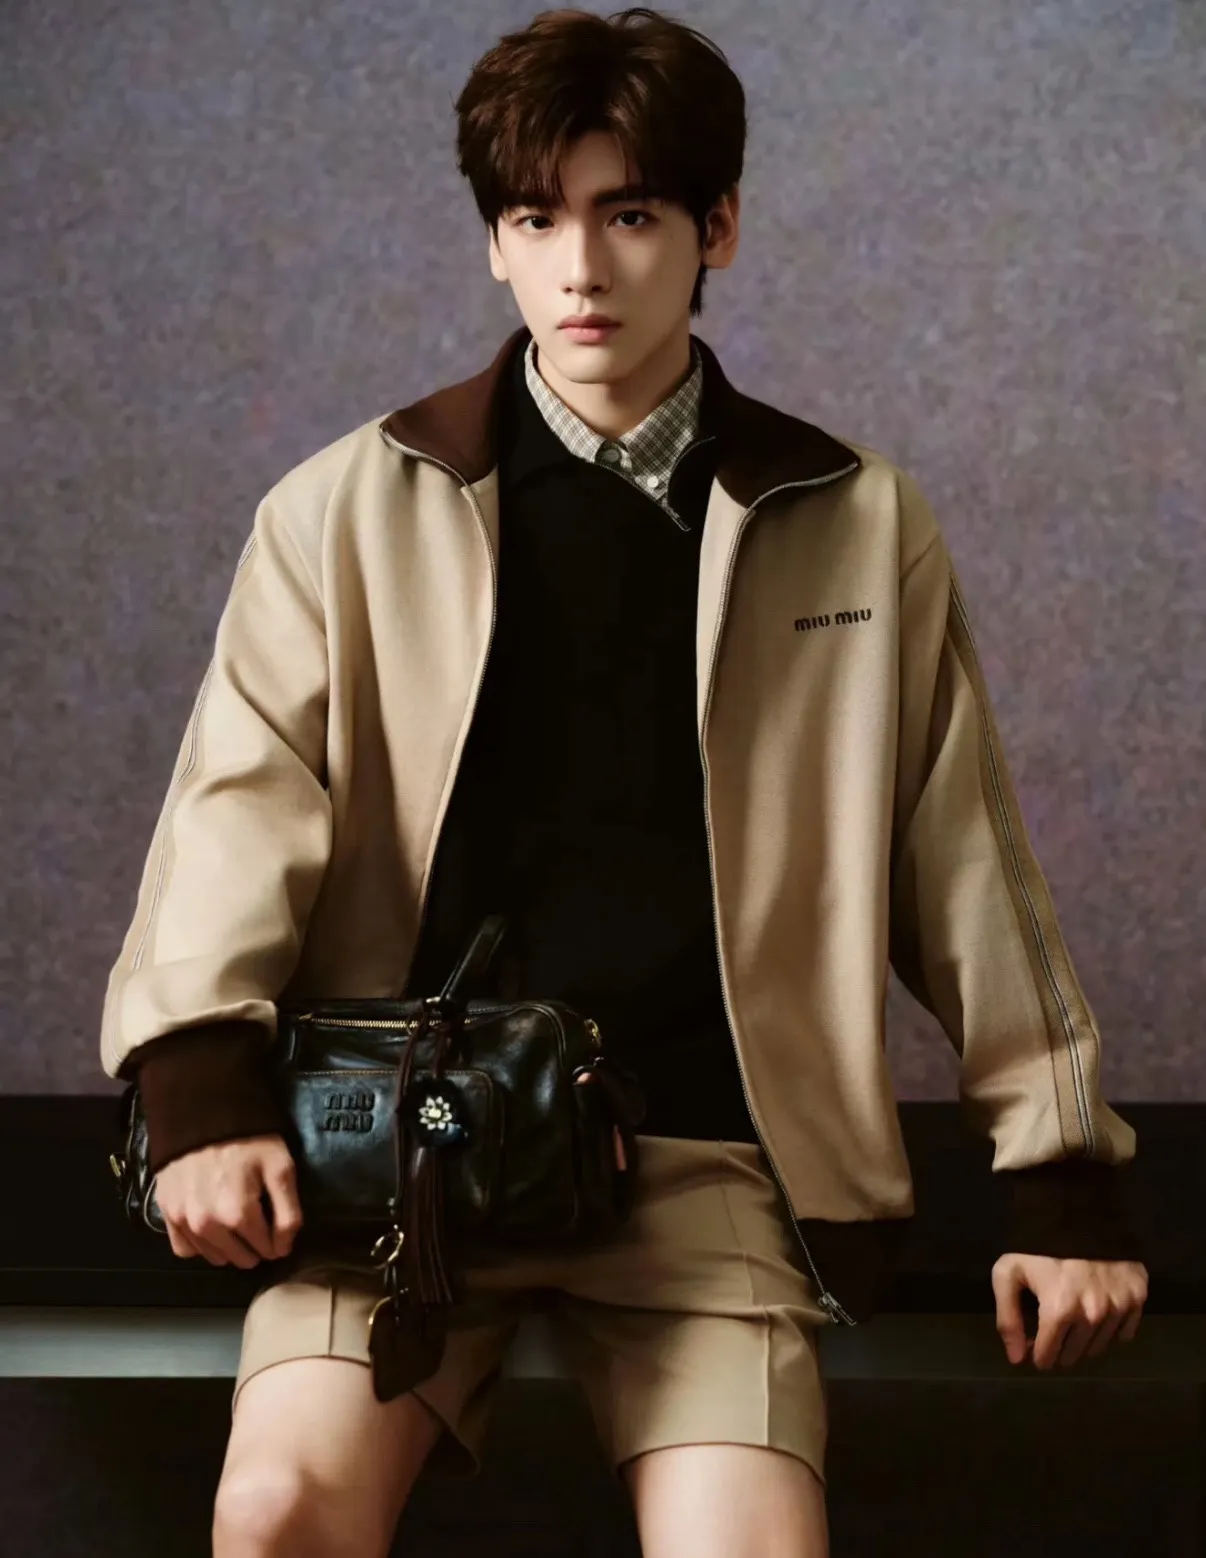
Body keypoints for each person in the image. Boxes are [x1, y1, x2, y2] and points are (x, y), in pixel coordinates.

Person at [99, 8, 1149, 1556]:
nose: (581, 266)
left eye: (630, 214)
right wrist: (197, 1085)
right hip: (398, 1151)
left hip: (702, 1168)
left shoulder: (853, 519)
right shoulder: (341, 509)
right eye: (537, 219)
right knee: (275, 1514)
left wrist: (1060, 1186)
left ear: (717, 227)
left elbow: (963, 864)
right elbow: (236, 809)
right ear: (494, 244)